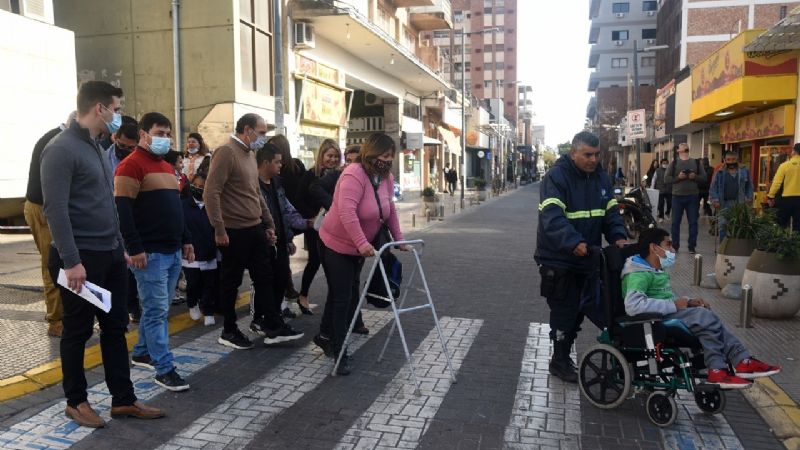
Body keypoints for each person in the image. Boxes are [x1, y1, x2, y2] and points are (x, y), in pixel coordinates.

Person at [41, 81, 164, 428]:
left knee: (115, 328)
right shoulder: (60, 149)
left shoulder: (96, 146)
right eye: (117, 107)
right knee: (77, 331)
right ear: (100, 108)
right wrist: (71, 261)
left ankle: (123, 400)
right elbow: (56, 210)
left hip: (108, 255)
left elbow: (103, 204)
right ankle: (76, 401)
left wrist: (120, 247)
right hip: (80, 259)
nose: (118, 115)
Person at [622, 228, 780, 388]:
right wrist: (674, 305)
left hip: (663, 314)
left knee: (707, 319)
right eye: (668, 244)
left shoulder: (655, 270)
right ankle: (727, 365)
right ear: (654, 247)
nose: (672, 249)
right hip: (652, 320)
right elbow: (633, 306)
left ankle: (738, 362)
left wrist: (689, 302)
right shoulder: (638, 274)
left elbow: (663, 299)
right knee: (704, 317)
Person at [535, 131, 627, 383]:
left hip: (588, 257)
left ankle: (570, 355)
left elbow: (610, 213)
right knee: (565, 311)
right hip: (559, 259)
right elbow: (552, 217)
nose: (593, 160)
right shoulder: (557, 177)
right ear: (574, 152)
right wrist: (574, 242)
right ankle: (559, 360)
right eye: (587, 154)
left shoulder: (601, 178)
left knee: (587, 308)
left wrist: (618, 236)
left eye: (597, 155)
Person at [115, 112, 194, 392]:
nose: (165, 138)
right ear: (144, 134)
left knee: (155, 310)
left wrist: (186, 240)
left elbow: (177, 208)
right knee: (157, 311)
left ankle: (141, 352)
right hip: (149, 254)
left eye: (168, 133)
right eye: (160, 133)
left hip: (172, 251)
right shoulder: (129, 166)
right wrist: (134, 248)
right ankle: (164, 368)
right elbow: (123, 211)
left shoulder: (165, 166)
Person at [316, 133, 405, 375]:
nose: (387, 160)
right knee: (343, 298)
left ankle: (324, 335)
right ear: (371, 153)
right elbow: (347, 211)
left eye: (390, 156)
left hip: (358, 246)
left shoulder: (385, 178)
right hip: (335, 243)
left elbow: (390, 210)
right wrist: (361, 242)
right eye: (384, 155)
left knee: (340, 292)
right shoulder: (353, 174)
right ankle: (339, 351)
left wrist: (399, 239)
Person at [204, 113, 293, 349]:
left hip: (254, 228)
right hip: (234, 230)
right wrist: (219, 229)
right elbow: (210, 192)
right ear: (247, 130)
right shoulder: (226, 152)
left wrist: (269, 223)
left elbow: (255, 194)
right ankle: (229, 330)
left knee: (264, 277)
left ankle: (273, 325)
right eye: (261, 132)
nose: (263, 137)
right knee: (231, 282)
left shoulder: (250, 154)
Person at [24, 112, 75, 338]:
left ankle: (62, 315)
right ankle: (56, 321)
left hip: (47, 207)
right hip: (43, 209)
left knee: (60, 262)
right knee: (52, 264)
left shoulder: (61, 139)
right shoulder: (56, 142)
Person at [309, 145, 369, 336]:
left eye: (355, 160)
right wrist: (334, 205)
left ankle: (353, 321)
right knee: (340, 287)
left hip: (356, 238)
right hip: (333, 238)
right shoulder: (337, 176)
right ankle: (332, 333)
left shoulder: (365, 177)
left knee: (353, 282)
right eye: (348, 161)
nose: (351, 165)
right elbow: (314, 187)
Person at [255, 143, 308, 343]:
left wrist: (289, 237)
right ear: (266, 162)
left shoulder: (277, 183)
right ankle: (269, 324)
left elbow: (284, 211)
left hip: (280, 241)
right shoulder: (253, 184)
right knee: (265, 284)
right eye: (277, 162)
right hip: (263, 242)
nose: (280, 165)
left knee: (280, 282)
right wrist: (264, 233)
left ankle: (274, 321)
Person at [295, 139, 342, 316]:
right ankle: (303, 295)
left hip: (335, 225)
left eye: (336, 156)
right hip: (316, 225)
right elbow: (298, 200)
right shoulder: (310, 175)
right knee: (315, 261)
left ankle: (335, 300)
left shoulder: (340, 175)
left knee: (334, 263)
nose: (333, 159)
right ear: (321, 154)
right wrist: (311, 216)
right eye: (330, 155)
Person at [268, 134, 307, 303]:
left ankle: (286, 287)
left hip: (288, 214)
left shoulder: (287, 168)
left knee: (283, 251)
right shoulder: (294, 166)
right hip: (288, 215)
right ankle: (287, 287)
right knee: (282, 253)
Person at [181, 173, 218, 326]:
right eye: (195, 185)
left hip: (210, 252)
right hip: (191, 254)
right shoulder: (183, 205)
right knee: (194, 283)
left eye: (202, 187)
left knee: (209, 285)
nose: (198, 189)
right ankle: (192, 303)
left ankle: (208, 311)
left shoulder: (213, 205)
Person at [664, 143, 707, 254]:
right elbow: (666, 179)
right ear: (678, 151)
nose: (685, 149)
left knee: (693, 222)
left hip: (693, 197)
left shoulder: (696, 163)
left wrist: (695, 177)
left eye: (686, 148)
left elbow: (704, 178)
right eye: (682, 148)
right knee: (675, 223)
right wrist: (678, 178)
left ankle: (692, 246)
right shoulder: (674, 164)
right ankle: (675, 245)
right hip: (677, 197)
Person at [710, 152, 753, 241]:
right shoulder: (720, 172)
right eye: (728, 160)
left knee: (737, 227)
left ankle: (734, 248)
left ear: (737, 160)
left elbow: (749, 186)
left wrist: (749, 197)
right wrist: (715, 200)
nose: (731, 162)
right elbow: (713, 187)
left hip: (739, 204)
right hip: (723, 204)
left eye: (733, 159)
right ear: (724, 160)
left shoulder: (744, 171)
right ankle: (723, 248)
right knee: (723, 226)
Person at [767, 143, 800, 231]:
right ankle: (796, 244)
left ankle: (782, 243)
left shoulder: (784, 166)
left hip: (786, 199)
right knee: (798, 227)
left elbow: (776, 183)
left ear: (794, 151)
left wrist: (770, 196)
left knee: (781, 225)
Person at [650, 158, 672, 222]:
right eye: (663, 163)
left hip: (669, 190)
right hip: (660, 189)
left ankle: (667, 213)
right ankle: (661, 216)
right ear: (661, 164)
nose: (665, 164)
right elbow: (654, 179)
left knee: (670, 203)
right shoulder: (657, 170)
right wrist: (652, 188)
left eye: (666, 163)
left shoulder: (670, 170)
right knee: (661, 204)